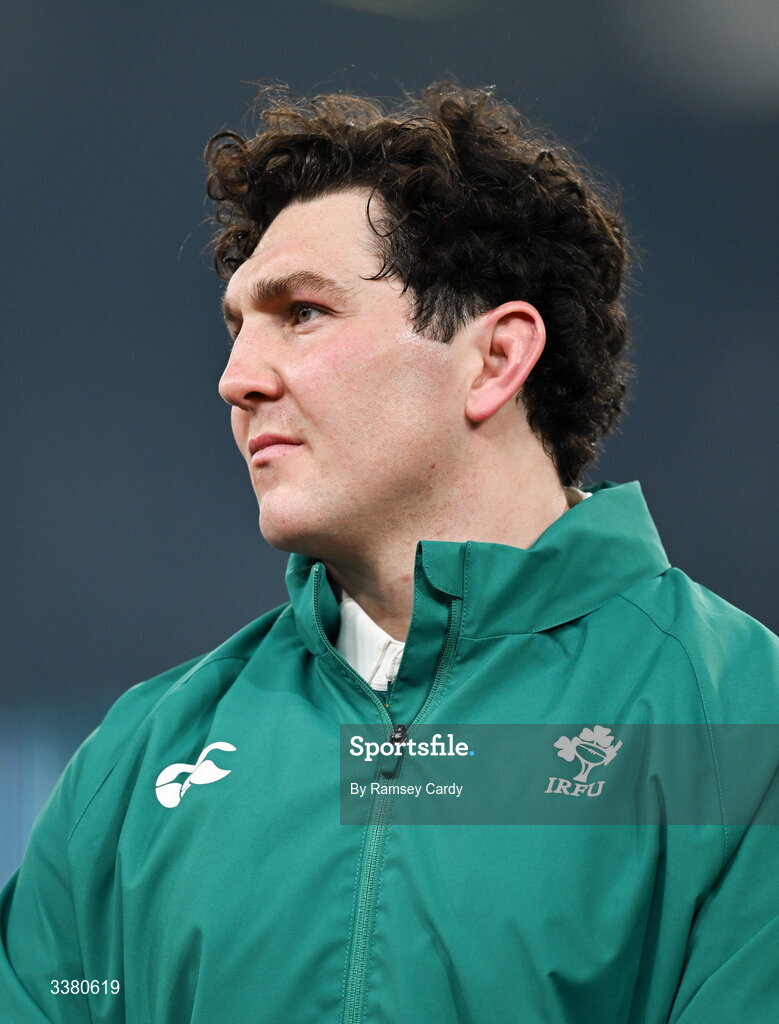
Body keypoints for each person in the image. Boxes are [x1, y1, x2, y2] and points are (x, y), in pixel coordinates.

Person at [1, 82, 777, 1024]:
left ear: (495, 359)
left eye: (301, 313)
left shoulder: (745, 727)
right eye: (237, 328)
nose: (235, 379)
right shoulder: (134, 760)